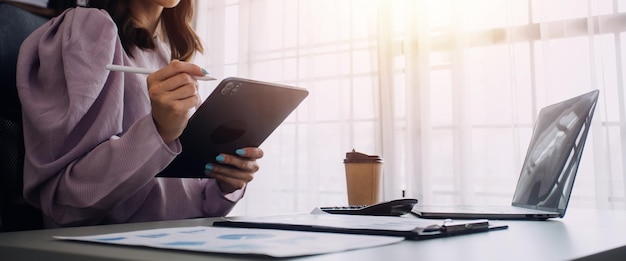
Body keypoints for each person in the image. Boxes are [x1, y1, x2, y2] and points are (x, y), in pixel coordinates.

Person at [16, 0, 263, 228]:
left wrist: (225, 184)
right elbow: (63, 202)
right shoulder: (89, 29)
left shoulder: (166, 56)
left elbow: (189, 205)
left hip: (179, 241)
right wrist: (159, 130)